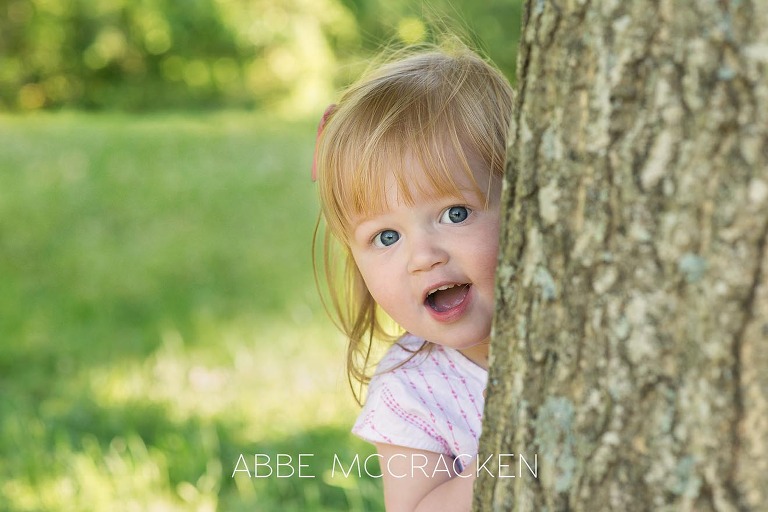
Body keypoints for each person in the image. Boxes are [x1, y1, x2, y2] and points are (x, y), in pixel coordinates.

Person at [312, 38, 514, 511]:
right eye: (386, 237)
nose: (423, 257)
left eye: (456, 213)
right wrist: (520, 456)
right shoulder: (412, 391)